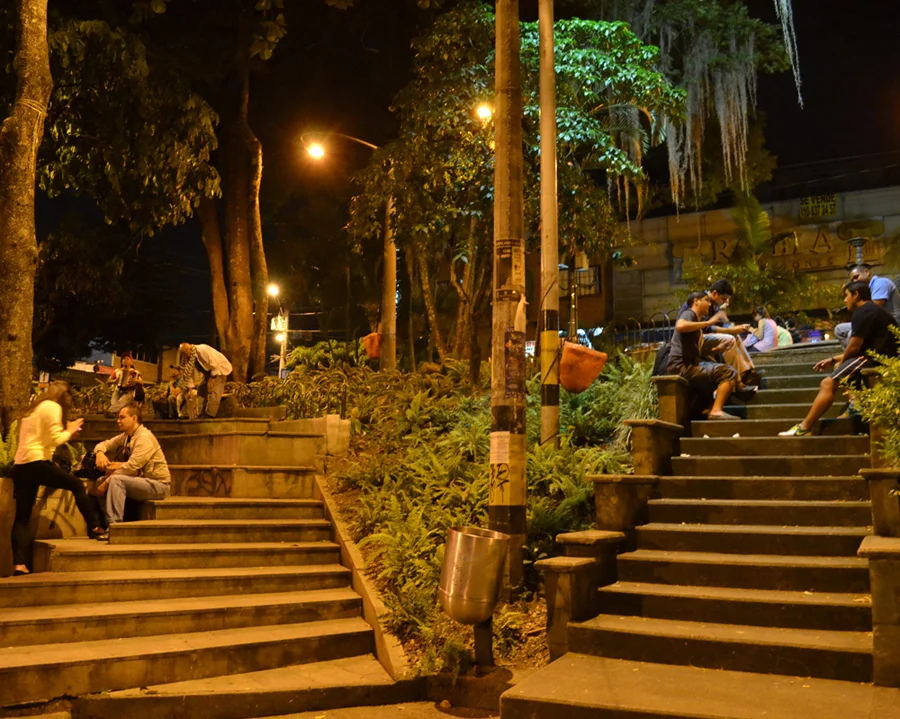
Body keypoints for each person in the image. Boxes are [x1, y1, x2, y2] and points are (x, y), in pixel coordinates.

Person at [10, 382, 107, 576]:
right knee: (77, 484)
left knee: (22, 517)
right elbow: (55, 439)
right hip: (36, 462)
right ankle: (95, 527)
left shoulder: (34, 409)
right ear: (63, 396)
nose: (70, 401)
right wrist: (69, 430)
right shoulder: (53, 407)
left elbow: (42, 439)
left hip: (21, 466)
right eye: (69, 396)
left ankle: (20, 565)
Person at [779, 281, 899, 436]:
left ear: (856, 295)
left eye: (846, 296)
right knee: (838, 369)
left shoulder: (863, 311)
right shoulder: (875, 311)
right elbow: (867, 348)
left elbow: (855, 347)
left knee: (827, 383)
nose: (845, 300)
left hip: (877, 361)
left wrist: (841, 363)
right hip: (881, 358)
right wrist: (834, 360)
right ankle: (856, 405)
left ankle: (804, 427)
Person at [93, 403, 170, 525]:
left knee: (116, 480)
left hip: (158, 485)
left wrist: (109, 480)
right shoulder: (126, 436)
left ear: (134, 418)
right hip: (140, 481)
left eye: (122, 417)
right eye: (118, 418)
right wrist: (99, 453)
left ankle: (115, 525)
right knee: (100, 481)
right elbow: (105, 444)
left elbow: (132, 466)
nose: (118, 421)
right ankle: (104, 523)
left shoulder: (144, 438)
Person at [668, 291, 740, 420]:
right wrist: (709, 322)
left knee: (717, 367)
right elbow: (680, 326)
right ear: (696, 301)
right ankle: (716, 411)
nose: (708, 303)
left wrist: (718, 349)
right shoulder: (689, 313)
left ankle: (708, 409)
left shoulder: (696, 322)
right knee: (728, 372)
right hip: (682, 367)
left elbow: (697, 353)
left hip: (687, 365)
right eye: (706, 300)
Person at [677, 279, 761, 389]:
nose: (725, 302)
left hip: (701, 337)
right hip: (693, 340)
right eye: (724, 299)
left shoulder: (714, 306)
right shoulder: (700, 303)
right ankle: (738, 380)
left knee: (735, 336)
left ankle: (748, 371)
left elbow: (718, 326)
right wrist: (731, 330)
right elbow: (707, 328)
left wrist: (736, 329)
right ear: (715, 293)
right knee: (729, 339)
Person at [834, 259, 900, 349]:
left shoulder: (881, 283)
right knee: (839, 329)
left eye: (856, 277)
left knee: (852, 333)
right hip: (876, 323)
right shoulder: (867, 289)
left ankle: (855, 355)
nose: (855, 281)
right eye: (852, 280)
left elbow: (871, 310)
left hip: (892, 325)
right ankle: (851, 356)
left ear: (867, 272)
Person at [178, 343, 233, 418]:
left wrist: (213, 378)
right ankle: (201, 413)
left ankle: (209, 415)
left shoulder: (202, 349)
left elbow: (214, 363)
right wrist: (190, 389)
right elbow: (188, 373)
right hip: (208, 372)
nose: (186, 356)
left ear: (190, 349)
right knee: (201, 389)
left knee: (213, 390)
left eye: (186, 353)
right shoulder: (191, 358)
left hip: (219, 370)